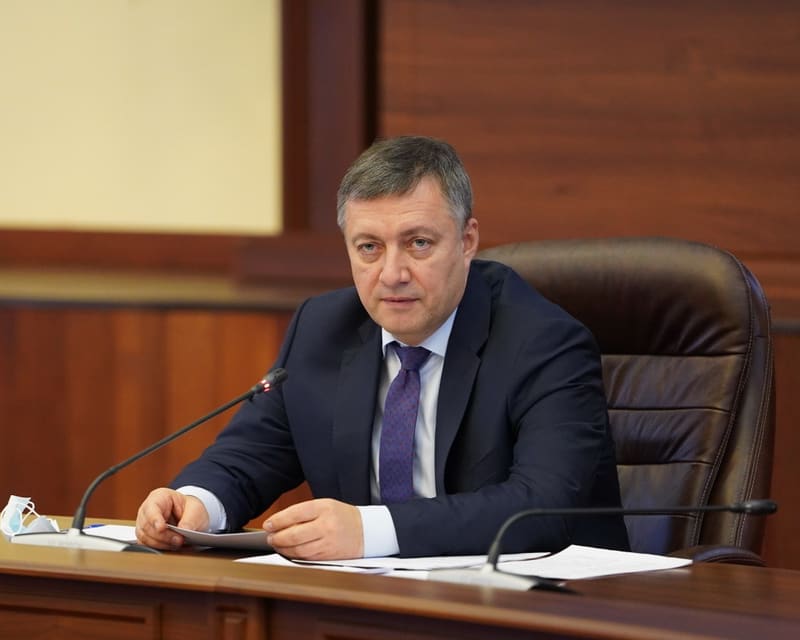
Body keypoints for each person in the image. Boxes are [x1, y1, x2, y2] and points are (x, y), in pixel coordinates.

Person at [135, 135, 629, 559]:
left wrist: (369, 531)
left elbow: (542, 507)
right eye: (369, 247)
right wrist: (196, 504)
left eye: (418, 243)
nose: (392, 274)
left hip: (539, 607)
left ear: (467, 241)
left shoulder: (543, 343)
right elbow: (250, 456)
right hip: (370, 605)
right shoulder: (323, 329)